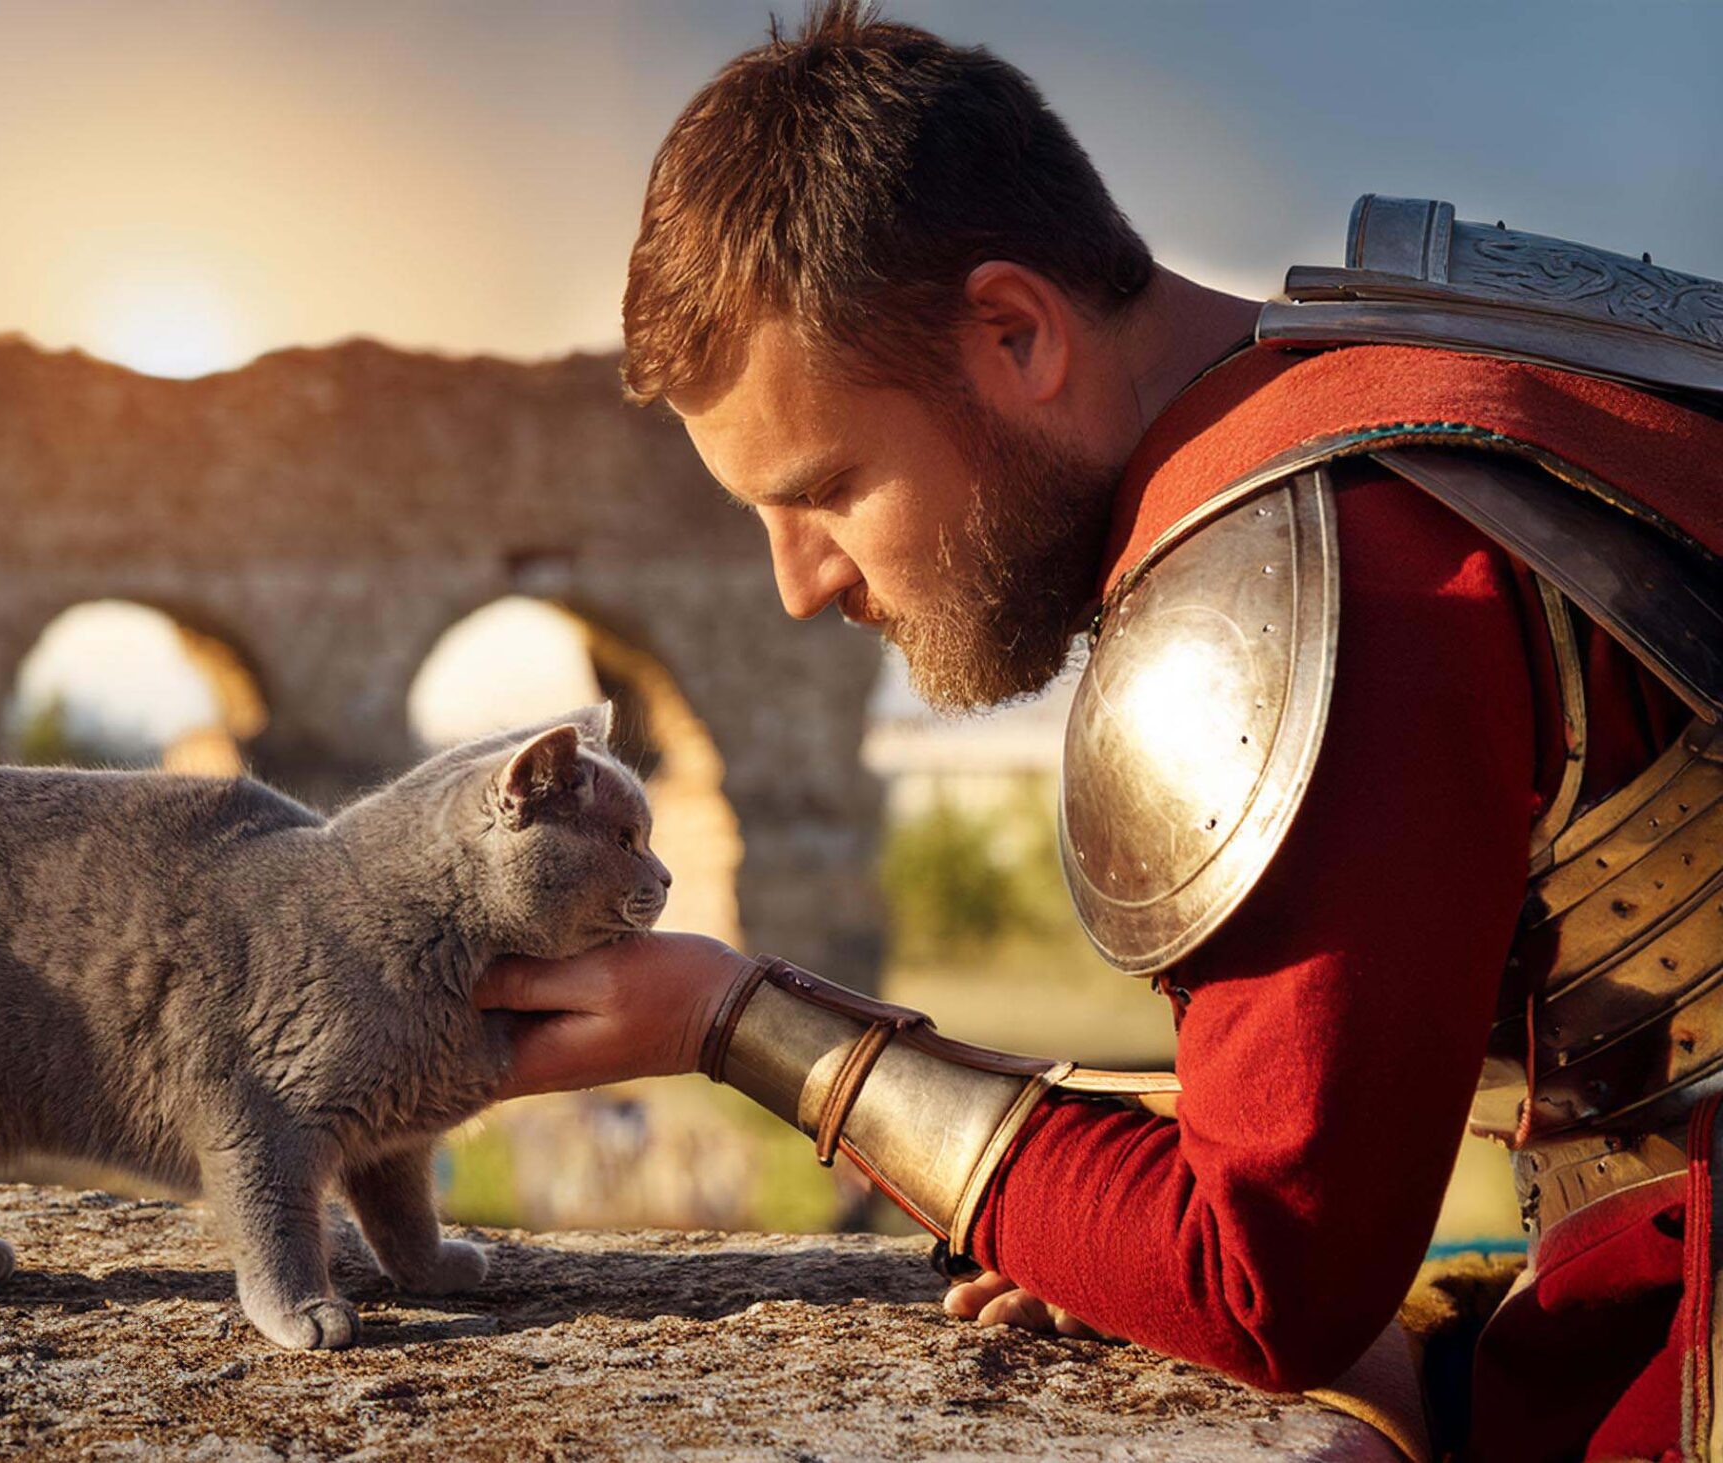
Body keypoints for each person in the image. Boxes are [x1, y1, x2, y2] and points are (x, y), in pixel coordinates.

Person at [474, 6, 1723, 1460]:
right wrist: (1087, 1207)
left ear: (1017, 332)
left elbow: (1262, 1284)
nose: (801, 582)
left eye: (829, 487)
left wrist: (728, 1018)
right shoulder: (1462, 364)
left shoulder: (1318, 566)